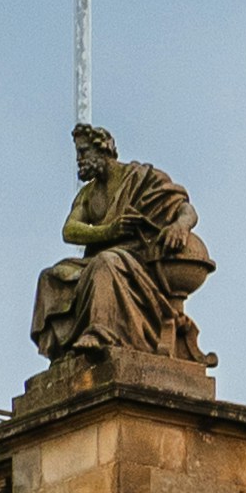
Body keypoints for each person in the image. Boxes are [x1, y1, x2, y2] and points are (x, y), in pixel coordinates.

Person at [31, 124, 213, 375]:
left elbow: (186, 209)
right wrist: (111, 231)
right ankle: (62, 351)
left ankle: (100, 331)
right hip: (102, 259)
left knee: (105, 262)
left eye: (84, 153)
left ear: (102, 149)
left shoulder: (141, 178)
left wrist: (180, 227)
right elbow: (70, 230)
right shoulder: (88, 194)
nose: (79, 160)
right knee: (50, 277)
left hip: (138, 260)